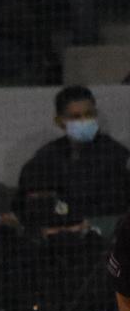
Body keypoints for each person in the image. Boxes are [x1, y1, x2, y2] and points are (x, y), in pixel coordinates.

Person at [17, 86, 130, 221]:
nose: (84, 121)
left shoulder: (116, 155)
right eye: (75, 117)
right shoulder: (45, 158)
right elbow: (27, 204)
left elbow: (116, 207)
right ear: (59, 122)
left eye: (89, 115)